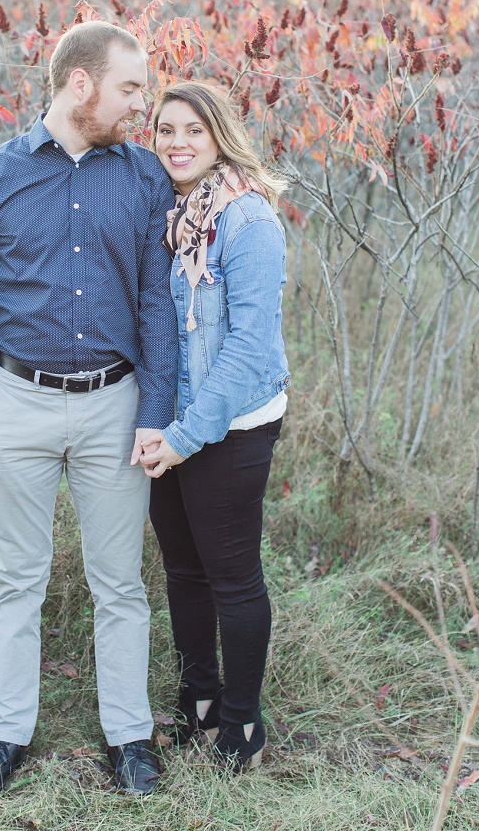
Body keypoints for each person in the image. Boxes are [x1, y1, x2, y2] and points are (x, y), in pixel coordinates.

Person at [0, 21, 177, 798]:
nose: (140, 104)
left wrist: (155, 410)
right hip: (15, 403)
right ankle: (4, 738)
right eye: (130, 88)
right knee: (16, 581)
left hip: (116, 405)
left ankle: (130, 740)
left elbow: (155, 300)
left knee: (121, 584)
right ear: (81, 84)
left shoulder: (143, 177)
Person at [132, 79, 290, 772]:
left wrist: (186, 436)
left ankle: (242, 724)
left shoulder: (247, 220)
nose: (178, 143)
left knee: (232, 576)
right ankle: (198, 698)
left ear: (219, 136)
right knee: (183, 569)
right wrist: (160, 424)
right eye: (166, 130)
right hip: (172, 421)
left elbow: (248, 347)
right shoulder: (171, 216)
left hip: (233, 425)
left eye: (193, 129)